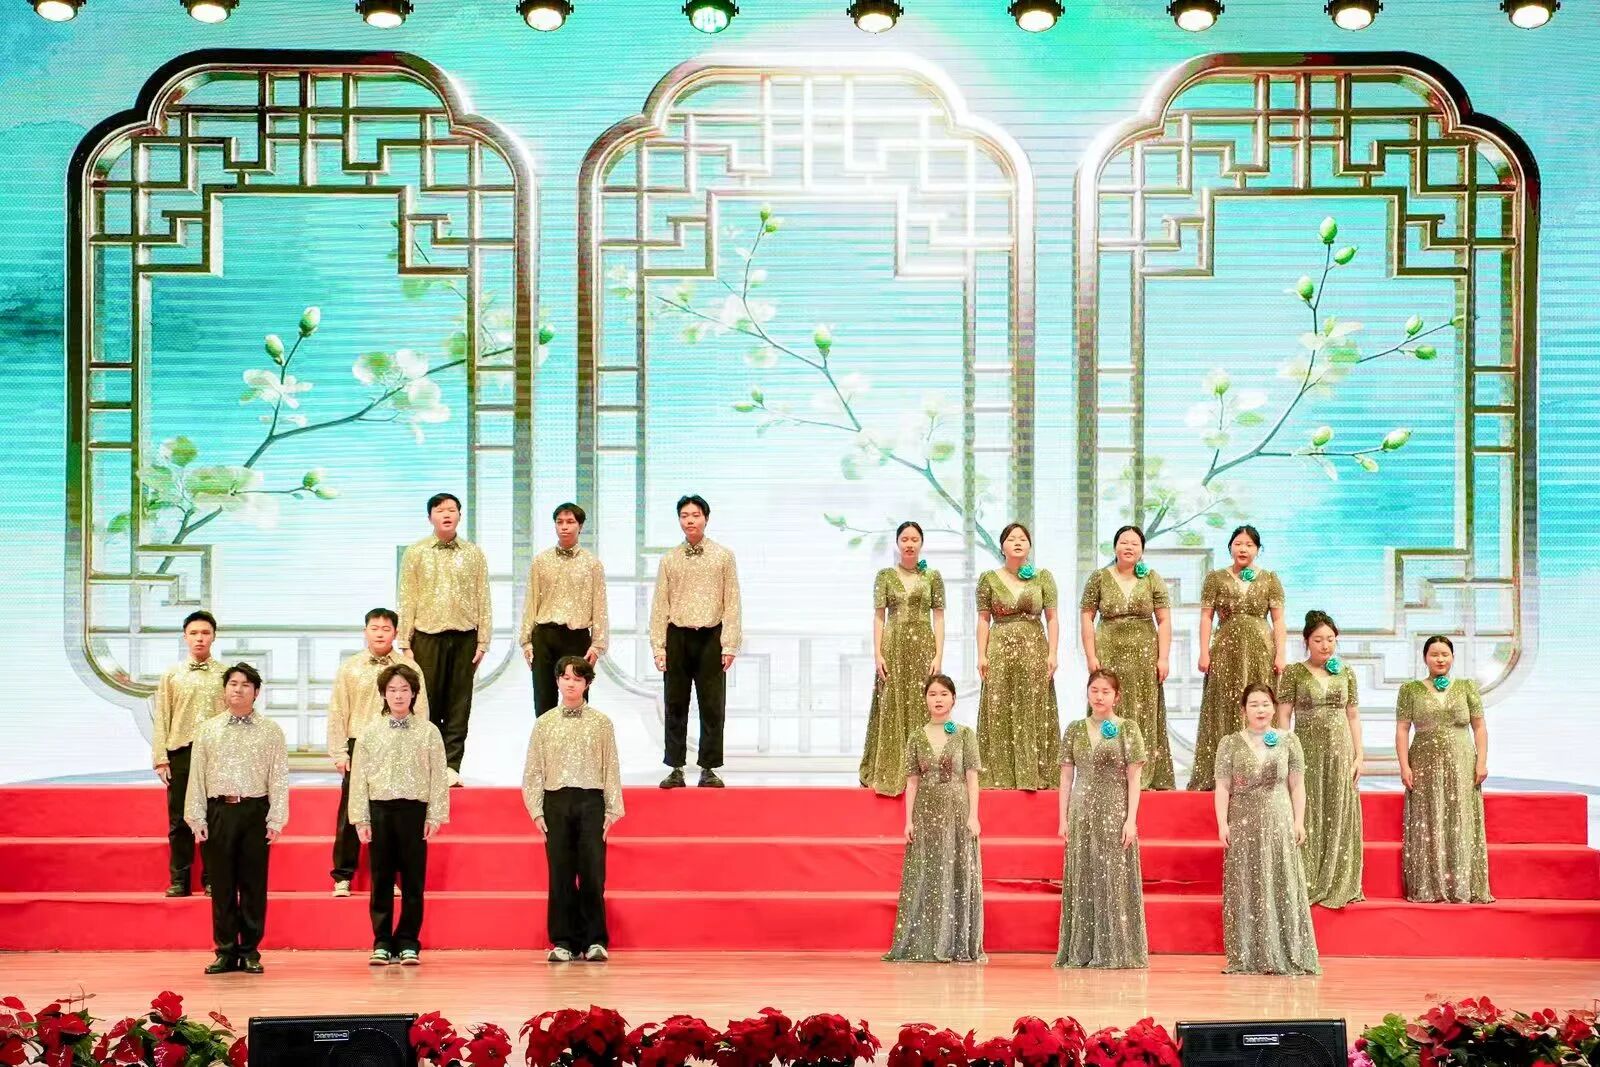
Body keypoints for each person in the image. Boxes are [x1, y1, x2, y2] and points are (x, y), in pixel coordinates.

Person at [184, 663, 288, 975]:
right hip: (219, 811)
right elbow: (196, 775)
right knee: (222, 885)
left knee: (254, 885)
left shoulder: (271, 731)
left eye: (245, 684)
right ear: (224, 689)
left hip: (255, 811)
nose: (238, 689)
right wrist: (196, 816)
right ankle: (226, 951)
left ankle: (250, 951)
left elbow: (279, 777)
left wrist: (276, 818)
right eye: (233, 683)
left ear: (256, 692)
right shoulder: (208, 729)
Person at [522, 655, 624, 963]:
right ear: (556, 681)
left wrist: (612, 810)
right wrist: (536, 809)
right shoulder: (544, 723)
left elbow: (611, 766)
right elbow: (533, 769)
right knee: (561, 874)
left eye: (577, 679)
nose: (571, 683)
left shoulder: (601, 723)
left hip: (592, 801)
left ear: (587, 684)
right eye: (565, 677)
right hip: (555, 801)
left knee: (592, 873)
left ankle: (595, 940)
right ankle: (563, 941)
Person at [1213, 683, 1319, 976]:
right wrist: (1222, 823)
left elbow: (1297, 785)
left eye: (1265, 704)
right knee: (1245, 883)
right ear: (1243, 710)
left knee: (1280, 880)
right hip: (1243, 820)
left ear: (1274, 707)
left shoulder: (1289, 740)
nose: (1260, 710)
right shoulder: (1229, 743)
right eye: (1253, 704)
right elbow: (1222, 787)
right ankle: (1248, 954)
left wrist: (1299, 821)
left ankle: (1286, 952)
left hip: (1278, 818)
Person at [349, 663, 449, 966]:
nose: (398, 695)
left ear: (414, 693)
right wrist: (361, 818)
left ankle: (408, 942)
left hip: (414, 811)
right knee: (381, 878)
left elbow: (438, 776)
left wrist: (435, 815)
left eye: (404, 689)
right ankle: (381, 941)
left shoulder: (429, 732)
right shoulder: (370, 732)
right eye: (392, 689)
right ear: (383, 694)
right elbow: (359, 778)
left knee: (413, 880)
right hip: (380, 809)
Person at [327, 608, 429, 898]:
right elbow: (338, 710)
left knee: (391, 815)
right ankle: (343, 875)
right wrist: (339, 752)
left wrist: (419, 748)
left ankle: (389, 877)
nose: (380, 633)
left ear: (395, 633)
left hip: (398, 743)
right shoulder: (350, 667)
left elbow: (421, 709)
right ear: (365, 632)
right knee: (351, 810)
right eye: (375, 628)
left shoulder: (409, 667)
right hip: (359, 743)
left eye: (386, 628)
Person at [883, 674, 984, 963]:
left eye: (943, 694)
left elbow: (972, 780)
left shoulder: (965, 734)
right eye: (932, 694)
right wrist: (908, 820)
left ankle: (956, 942)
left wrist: (974, 816)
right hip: (925, 811)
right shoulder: (916, 736)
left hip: (957, 810)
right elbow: (912, 782)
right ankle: (925, 940)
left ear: (953, 699)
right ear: (925, 700)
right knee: (927, 873)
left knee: (956, 872)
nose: (938, 699)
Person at [397, 492, 491, 787]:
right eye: (440, 510)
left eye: (452, 509)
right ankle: (424, 766)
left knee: (458, 705)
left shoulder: (473, 553)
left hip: (465, 637)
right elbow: (407, 596)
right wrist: (404, 642)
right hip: (426, 637)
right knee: (426, 703)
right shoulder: (416, 552)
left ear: (460, 515)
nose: (446, 514)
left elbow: (483, 597)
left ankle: (451, 766)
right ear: (430, 518)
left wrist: (483, 641)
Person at [1056, 669, 1148, 969]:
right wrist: (1063, 818)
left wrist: (1131, 820)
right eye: (1094, 690)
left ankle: (1116, 949)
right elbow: (1066, 777)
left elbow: (1134, 778)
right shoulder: (1074, 729)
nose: (1099, 696)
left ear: (1116, 697)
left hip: (1114, 809)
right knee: (1083, 875)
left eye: (1105, 691)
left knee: (1113, 877)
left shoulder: (1128, 729)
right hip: (1081, 810)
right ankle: (1082, 949)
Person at [649, 494, 741, 788]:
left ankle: (708, 768)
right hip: (677, 636)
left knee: (712, 705)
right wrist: (658, 646)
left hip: (711, 636)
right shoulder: (669, 559)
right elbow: (660, 604)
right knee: (675, 703)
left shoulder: (723, 556)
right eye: (684, 515)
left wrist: (730, 644)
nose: (690, 520)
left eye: (695, 515)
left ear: (706, 518)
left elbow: (732, 602)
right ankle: (675, 767)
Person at [1275, 610, 1364, 908]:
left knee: (1338, 808)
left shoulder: (1346, 673)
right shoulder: (1294, 673)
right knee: (1308, 808)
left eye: (1330, 639)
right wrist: (1283, 751)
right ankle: (1306, 877)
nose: (1325, 645)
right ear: (1306, 642)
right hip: (1306, 749)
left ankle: (1338, 878)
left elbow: (1353, 715)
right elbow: (1284, 715)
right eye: (1318, 640)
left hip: (1341, 751)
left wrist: (1359, 755)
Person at [1189, 525, 1286, 790]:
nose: (1243, 549)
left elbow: (1278, 620)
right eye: (1238, 544)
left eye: (1249, 545)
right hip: (1224, 650)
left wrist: (1281, 654)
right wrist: (1204, 651)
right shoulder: (1215, 578)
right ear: (1230, 547)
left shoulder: (1270, 579)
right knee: (1224, 703)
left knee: (1259, 703)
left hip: (1260, 650)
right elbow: (1206, 617)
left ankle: (1261, 773)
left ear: (1258, 549)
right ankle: (1222, 773)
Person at [1397, 635, 1492, 904]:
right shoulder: (1410, 690)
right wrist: (1404, 765)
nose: (1440, 659)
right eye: (1434, 654)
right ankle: (1428, 885)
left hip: (1462, 762)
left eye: (1445, 654)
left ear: (1452, 657)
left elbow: (1479, 727)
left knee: (1459, 818)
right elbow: (1402, 730)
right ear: (1424, 658)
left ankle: (1461, 886)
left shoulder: (1467, 687)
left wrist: (1481, 761)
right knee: (1427, 820)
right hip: (1423, 762)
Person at [1079, 525, 1174, 789]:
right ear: (1115, 547)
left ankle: (1143, 773)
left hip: (1145, 654)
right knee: (1106, 703)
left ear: (1142, 549)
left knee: (1144, 707)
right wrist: (1091, 655)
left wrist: (1163, 658)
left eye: (1135, 543)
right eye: (1124, 542)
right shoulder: (1099, 577)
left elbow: (1164, 620)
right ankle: (1105, 770)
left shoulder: (1152, 578)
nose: (1129, 547)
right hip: (1109, 650)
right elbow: (1086, 617)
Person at [860, 521, 946, 796]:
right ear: (897, 543)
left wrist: (938, 654)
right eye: (905, 539)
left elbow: (939, 618)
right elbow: (879, 617)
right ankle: (891, 768)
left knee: (923, 702)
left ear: (921, 543)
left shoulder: (933, 576)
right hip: (893, 646)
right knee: (892, 703)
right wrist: (877, 653)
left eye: (914, 539)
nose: (909, 544)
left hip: (923, 645)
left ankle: (924, 770)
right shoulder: (885, 576)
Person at [975, 522, 1060, 790]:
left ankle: (1034, 772)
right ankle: (999, 773)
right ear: (1002, 546)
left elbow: (1052, 618)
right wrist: (981, 655)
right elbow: (983, 620)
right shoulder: (988, 579)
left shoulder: (1043, 577)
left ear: (1029, 546)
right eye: (1012, 539)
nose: (1018, 542)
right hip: (999, 648)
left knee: (1033, 705)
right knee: (998, 705)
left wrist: (1053, 653)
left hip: (1034, 648)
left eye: (1023, 538)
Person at [152, 610, 226, 897]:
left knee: (214, 817)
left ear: (214, 637)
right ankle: (180, 880)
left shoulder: (226, 674)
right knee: (180, 819)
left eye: (205, 633)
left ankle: (212, 878)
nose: (200, 638)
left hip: (215, 754)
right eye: (194, 633)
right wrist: (161, 758)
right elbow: (162, 716)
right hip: (180, 752)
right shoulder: (172, 674)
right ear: (185, 637)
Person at [519, 502, 608, 716]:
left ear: (580, 526)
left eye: (570, 522)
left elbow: (600, 605)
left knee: (577, 702)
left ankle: (577, 739)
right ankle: (544, 739)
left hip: (576, 637)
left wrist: (597, 645)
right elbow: (531, 601)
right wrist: (526, 641)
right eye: (559, 522)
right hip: (544, 636)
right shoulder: (541, 561)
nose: (564, 527)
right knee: (543, 701)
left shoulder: (592, 564)